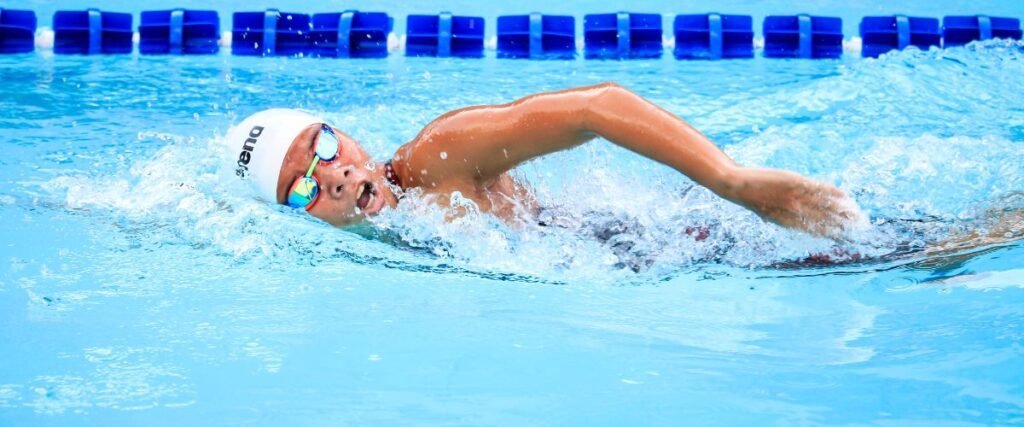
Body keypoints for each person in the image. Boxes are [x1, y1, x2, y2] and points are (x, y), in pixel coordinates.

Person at [226, 82, 864, 240]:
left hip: (659, 243)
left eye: (326, 149)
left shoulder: (436, 157)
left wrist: (736, 183)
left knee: (890, 249)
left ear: (351, 140)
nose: (332, 176)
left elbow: (598, 106)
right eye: (302, 186)